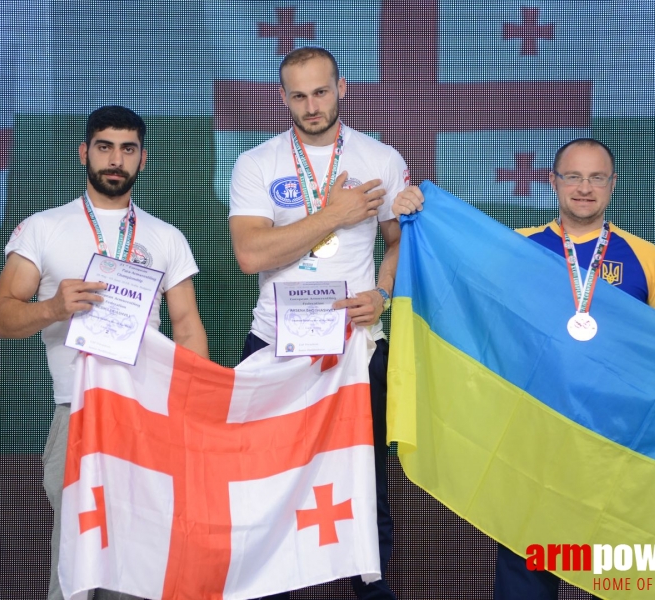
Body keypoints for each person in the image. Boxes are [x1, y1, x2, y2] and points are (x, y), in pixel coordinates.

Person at [394, 137, 655, 599]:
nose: (584, 187)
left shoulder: (645, 257)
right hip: (533, 443)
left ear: (612, 185)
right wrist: (419, 215)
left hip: (615, 449)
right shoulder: (516, 248)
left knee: (618, 576)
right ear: (553, 181)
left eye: (596, 177)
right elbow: (458, 286)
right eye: (573, 176)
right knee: (526, 578)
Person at [0, 105, 208, 600]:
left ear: (142, 160)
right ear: (84, 152)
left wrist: (190, 408)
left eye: (128, 149)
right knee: (76, 558)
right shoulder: (43, 228)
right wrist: (52, 307)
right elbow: (0, 317)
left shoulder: (165, 237)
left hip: (147, 416)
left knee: (139, 564)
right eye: (105, 147)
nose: (116, 159)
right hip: (79, 413)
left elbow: (188, 325)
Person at [228, 47, 407, 600]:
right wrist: (334, 214)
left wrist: (382, 295)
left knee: (365, 479)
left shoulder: (381, 159)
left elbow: (400, 247)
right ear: (283, 97)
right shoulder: (256, 163)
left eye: (321, 91)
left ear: (342, 88)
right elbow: (251, 254)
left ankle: (371, 588)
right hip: (275, 344)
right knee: (265, 482)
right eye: (298, 95)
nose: (311, 105)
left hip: (356, 344)